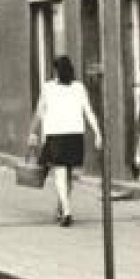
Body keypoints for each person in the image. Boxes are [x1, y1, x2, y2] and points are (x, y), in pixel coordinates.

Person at [30, 55, 103, 227]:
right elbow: (89, 112)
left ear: (56, 70)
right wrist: (98, 133)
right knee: (68, 174)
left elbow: (39, 112)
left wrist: (33, 132)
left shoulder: (48, 87)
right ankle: (62, 208)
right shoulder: (79, 87)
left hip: (56, 135)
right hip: (75, 135)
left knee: (60, 175)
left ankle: (67, 211)